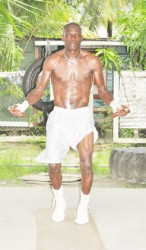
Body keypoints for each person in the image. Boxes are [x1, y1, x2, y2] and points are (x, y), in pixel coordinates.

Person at [9, 22, 129, 224]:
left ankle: (83, 206)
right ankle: (60, 200)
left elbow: (102, 90)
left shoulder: (92, 61)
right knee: (54, 165)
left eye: (76, 35)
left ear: (81, 38)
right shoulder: (53, 61)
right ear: (63, 37)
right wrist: (22, 106)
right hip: (60, 117)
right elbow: (38, 89)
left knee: (87, 164)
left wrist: (115, 104)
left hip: (82, 116)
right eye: (69, 35)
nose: (73, 38)